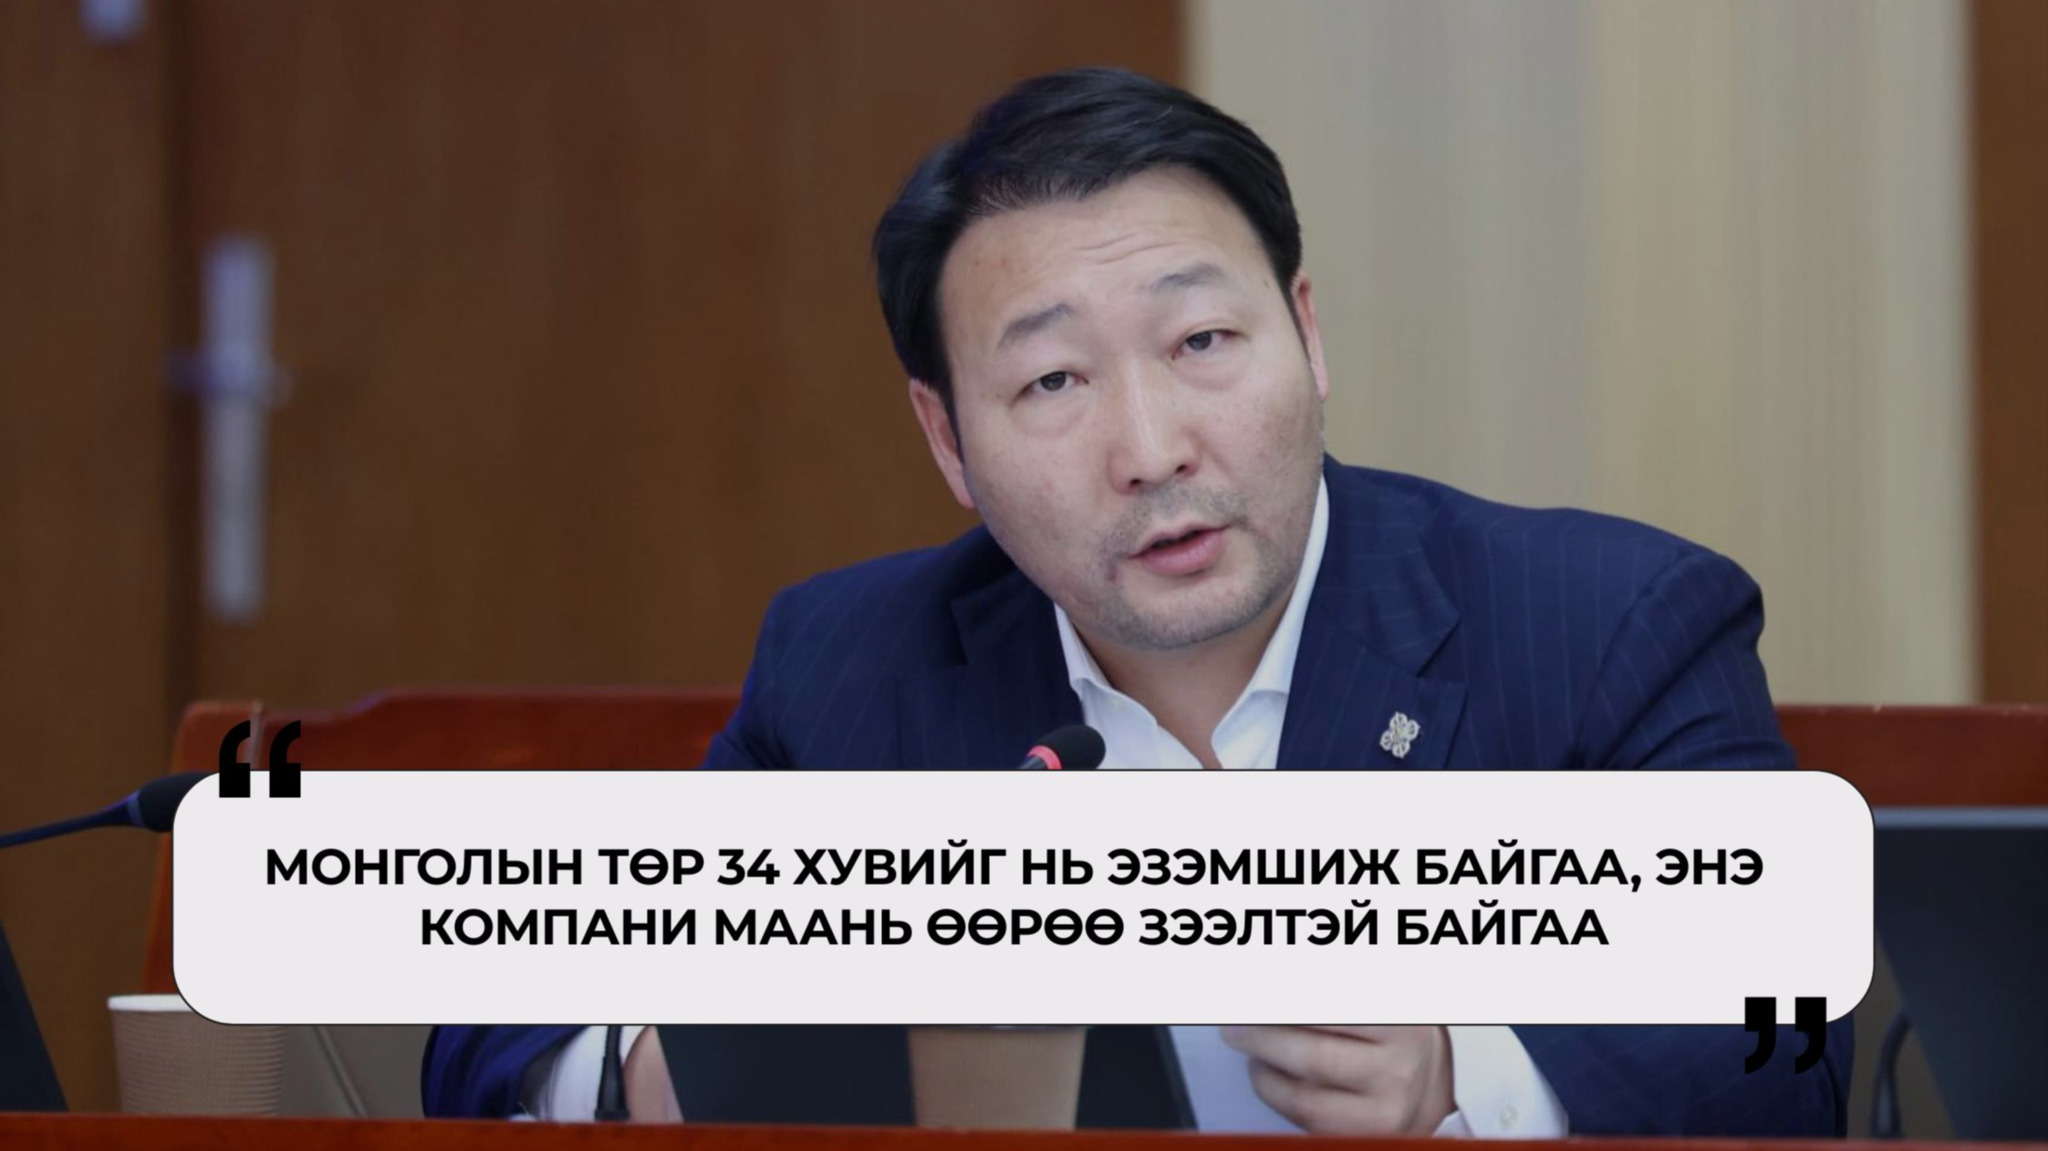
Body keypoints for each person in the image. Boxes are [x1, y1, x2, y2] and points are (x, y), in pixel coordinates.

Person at [423, 67, 1849, 1135]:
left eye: (1203, 340)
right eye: (1053, 380)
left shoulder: (1609, 623)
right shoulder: (854, 665)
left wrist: (1463, 1074)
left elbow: (1788, 1038)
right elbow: (501, 1016)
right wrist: (647, 1071)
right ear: (947, 440)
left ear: (1306, 332)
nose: (1153, 448)